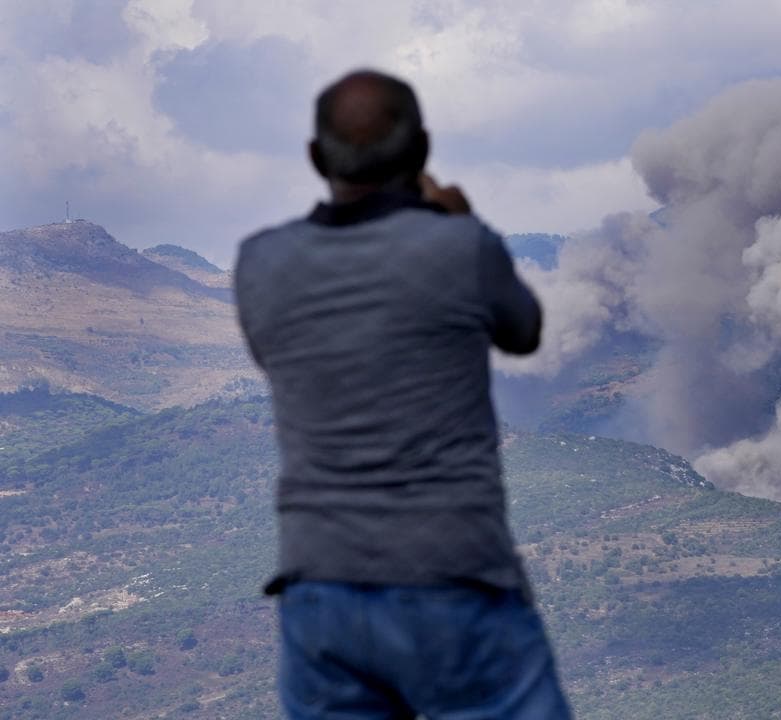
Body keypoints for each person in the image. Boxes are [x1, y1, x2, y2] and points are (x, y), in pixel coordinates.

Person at [234, 69, 572, 720]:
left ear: (314, 159)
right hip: (452, 582)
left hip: (320, 592)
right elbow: (523, 331)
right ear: (422, 153)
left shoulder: (260, 263)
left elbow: (273, 354)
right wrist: (458, 219)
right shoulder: (461, 247)